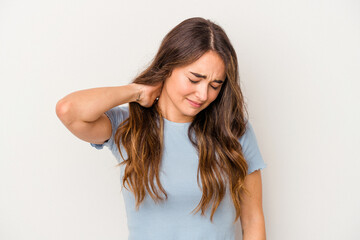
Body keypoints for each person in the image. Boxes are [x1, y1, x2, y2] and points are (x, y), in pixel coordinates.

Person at [56, 17, 267, 240]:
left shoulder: (234, 130)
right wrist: (137, 92)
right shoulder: (128, 126)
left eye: (215, 85)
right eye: (195, 79)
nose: (203, 95)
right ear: (168, 68)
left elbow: (253, 220)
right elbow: (68, 110)